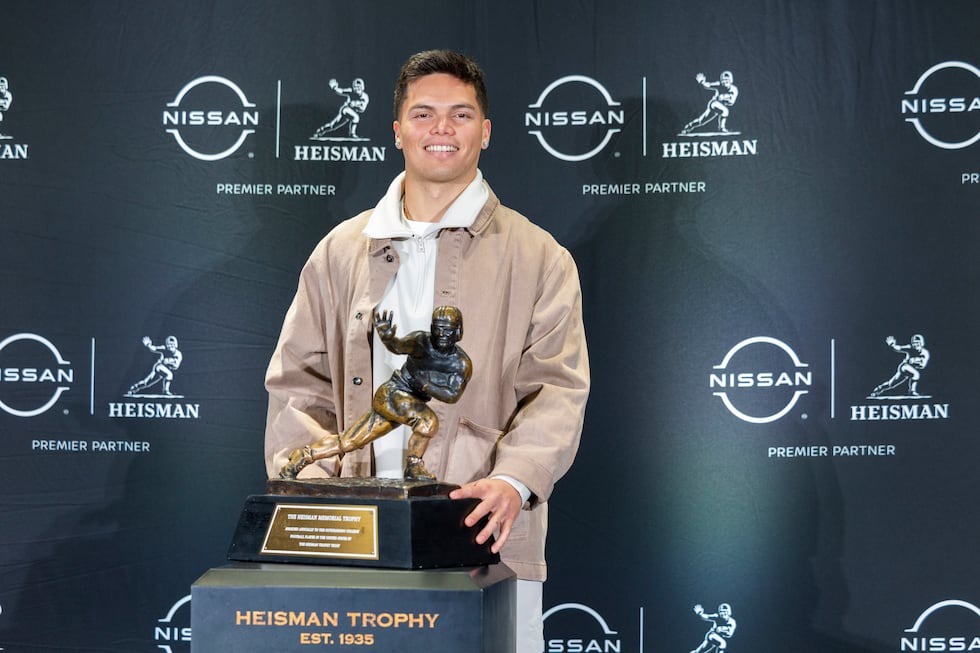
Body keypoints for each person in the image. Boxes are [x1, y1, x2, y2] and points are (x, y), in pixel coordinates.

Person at [265, 49, 590, 653]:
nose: (442, 129)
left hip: (481, 542)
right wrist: (311, 487)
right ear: (397, 131)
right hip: (349, 541)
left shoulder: (541, 257)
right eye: (424, 114)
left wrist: (513, 483)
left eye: (461, 115)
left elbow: (557, 391)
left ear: (486, 131)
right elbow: (297, 385)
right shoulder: (337, 252)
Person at [278, 306, 473, 481]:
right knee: (427, 422)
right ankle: (414, 467)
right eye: (437, 327)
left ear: (458, 331)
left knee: (350, 441)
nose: (441, 334)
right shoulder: (422, 341)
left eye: (447, 329)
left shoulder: (461, 363)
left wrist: (423, 383)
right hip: (393, 394)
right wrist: (388, 338)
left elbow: (451, 395)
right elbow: (399, 346)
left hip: (406, 400)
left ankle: (303, 456)